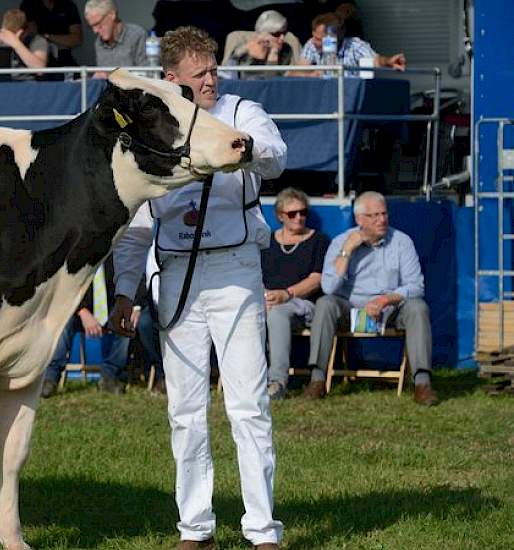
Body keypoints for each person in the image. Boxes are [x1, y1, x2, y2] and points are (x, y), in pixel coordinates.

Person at [110, 26, 286, 550]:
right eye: (199, 73)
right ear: (171, 79)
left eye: (213, 69)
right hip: (175, 272)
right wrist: (124, 291)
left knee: (248, 403)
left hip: (234, 269)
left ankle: (261, 529)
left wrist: (246, 147)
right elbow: (138, 221)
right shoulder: (151, 132)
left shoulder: (240, 111)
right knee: (184, 409)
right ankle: (196, 527)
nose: (210, 80)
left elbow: (276, 155)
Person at [304, 191, 438, 406]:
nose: (381, 219)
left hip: (389, 310)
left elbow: (416, 286)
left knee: (418, 307)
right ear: (359, 219)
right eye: (374, 215)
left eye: (384, 213)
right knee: (324, 303)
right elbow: (329, 287)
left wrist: (385, 300)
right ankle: (317, 380)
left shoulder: (402, 242)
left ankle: (422, 383)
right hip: (351, 309)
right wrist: (347, 250)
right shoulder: (341, 242)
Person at [260, 187, 330, 400]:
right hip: (268, 299)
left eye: (303, 212)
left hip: (302, 303)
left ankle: (277, 382)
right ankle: (246, 380)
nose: (299, 217)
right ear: (280, 216)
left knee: (278, 312)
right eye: (292, 214)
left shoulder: (319, 241)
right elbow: (255, 274)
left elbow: (317, 279)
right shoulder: (267, 242)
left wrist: (286, 294)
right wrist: (265, 296)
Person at [42, 258, 127, 398]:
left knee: (127, 321)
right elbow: (65, 288)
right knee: (63, 320)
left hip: (111, 311)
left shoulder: (118, 255)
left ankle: (109, 376)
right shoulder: (77, 254)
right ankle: (50, 378)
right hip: (78, 311)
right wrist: (82, 311)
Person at [297, 12, 406, 74]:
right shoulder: (311, 44)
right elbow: (297, 72)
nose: (314, 42)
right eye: (314, 36)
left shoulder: (355, 46)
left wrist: (388, 61)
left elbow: (376, 61)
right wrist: (311, 75)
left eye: (319, 40)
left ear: (334, 38)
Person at [83, 0, 148, 78]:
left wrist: (110, 76)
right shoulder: (99, 42)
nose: (95, 31)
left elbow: (147, 74)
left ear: (112, 15)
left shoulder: (137, 35)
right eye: (91, 26)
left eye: (98, 24)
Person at [223, 10, 296, 79]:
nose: (282, 38)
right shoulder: (242, 44)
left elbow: (271, 81)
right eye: (277, 34)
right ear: (263, 34)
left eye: (284, 33)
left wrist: (273, 53)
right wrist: (245, 51)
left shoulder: (286, 50)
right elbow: (228, 74)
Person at [0, 9, 49, 79]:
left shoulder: (37, 41)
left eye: (12, 35)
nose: (8, 38)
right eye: (7, 34)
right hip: (1, 84)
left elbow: (40, 69)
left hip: (27, 84)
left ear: (26, 31)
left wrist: (16, 44)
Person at [19, 0, 83, 68]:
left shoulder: (68, 4)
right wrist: (61, 41)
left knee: (81, 75)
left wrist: (47, 36)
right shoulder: (29, 4)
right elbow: (32, 34)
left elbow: (77, 39)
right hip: (38, 56)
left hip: (63, 57)